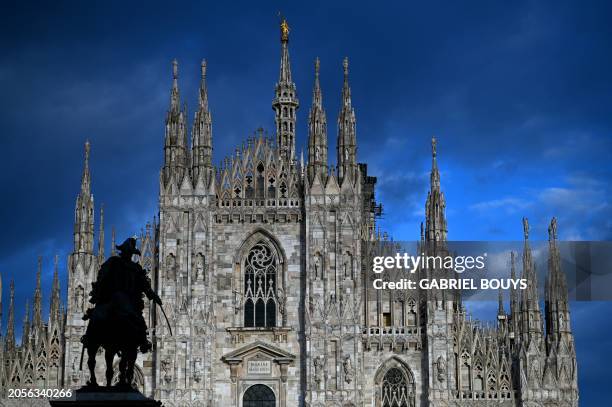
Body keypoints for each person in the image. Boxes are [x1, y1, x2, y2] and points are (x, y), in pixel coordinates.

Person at [83, 237, 162, 387]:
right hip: (114, 297)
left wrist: (153, 296)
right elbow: (102, 276)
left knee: (139, 321)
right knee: (99, 314)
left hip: (130, 301)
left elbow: (145, 285)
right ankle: (90, 337)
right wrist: (99, 291)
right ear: (122, 251)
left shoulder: (136, 268)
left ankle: (142, 341)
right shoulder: (113, 263)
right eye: (126, 251)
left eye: (130, 252)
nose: (128, 254)